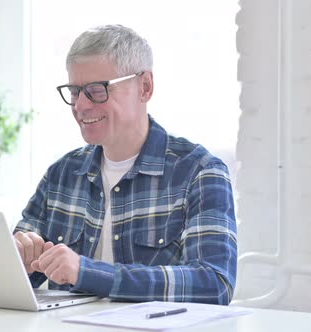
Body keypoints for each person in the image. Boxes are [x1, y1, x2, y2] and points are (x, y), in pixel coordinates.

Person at [13, 24, 237, 305]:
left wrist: (88, 272)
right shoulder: (61, 175)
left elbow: (214, 284)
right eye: (74, 91)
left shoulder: (200, 172)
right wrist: (17, 257)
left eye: (97, 90)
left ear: (145, 87)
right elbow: (14, 280)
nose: (80, 106)